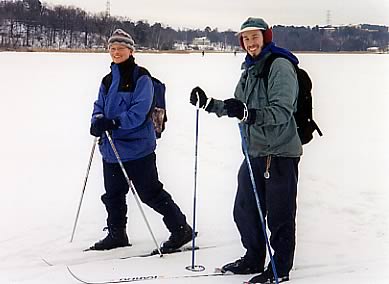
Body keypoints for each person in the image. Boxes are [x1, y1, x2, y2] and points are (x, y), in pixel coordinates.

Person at [189, 17, 302, 283]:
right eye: (246, 38)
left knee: (279, 215)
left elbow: (282, 112)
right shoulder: (249, 70)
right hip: (254, 152)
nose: (251, 43)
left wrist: (249, 113)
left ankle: (279, 269)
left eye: (255, 37)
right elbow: (237, 106)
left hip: (280, 154)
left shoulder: (280, 66)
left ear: (266, 37)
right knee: (245, 210)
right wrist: (209, 104)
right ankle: (253, 258)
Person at [89, 29, 192, 253]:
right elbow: (99, 105)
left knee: (150, 193)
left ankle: (181, 229)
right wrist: (97, 120)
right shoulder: (107, 80)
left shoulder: (141, 77)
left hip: (138, 148)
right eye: (112, 48)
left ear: (131, 50)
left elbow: (139, 111)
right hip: (111, 149)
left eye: (120, 48)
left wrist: (114, 123)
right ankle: (117, 235)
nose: (116, 52)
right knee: (113, 195)